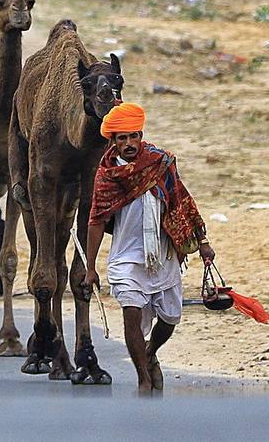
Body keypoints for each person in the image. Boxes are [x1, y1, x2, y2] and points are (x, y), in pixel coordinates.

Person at [82, 102, 214, 394]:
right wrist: (90, 268)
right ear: (112, 141)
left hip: (164, 256)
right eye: (121, 138)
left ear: (140, 135)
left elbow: (181, 201)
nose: (128, 144)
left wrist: (202, 242)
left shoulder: (160, 163)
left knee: (170, 318)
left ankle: (151, 352)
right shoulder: (107, 175)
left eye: (133, 137)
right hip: (126, 259)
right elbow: (96, 219)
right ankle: (142, 376)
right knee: (131, 310)